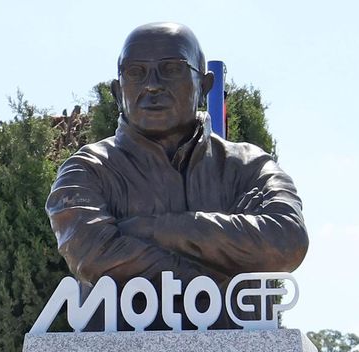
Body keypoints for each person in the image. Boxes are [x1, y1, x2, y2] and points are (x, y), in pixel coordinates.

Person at [45, 22, 308, 297]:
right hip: (122, 337)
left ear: (204, 85)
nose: (152, 85)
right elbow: (94, 255)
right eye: (136, 72)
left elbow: (288, 241)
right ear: (117, 92)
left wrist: (153, 228)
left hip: (237, 340)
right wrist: (218, 280)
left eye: (171, 69)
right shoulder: (86, 170)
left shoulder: (249, 166)